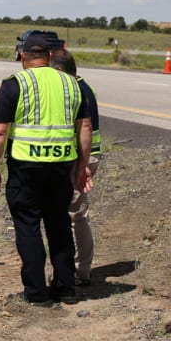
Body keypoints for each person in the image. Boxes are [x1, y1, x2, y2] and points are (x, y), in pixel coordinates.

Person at [0, 34, 93, 305]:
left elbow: (0, 131)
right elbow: (85, 128)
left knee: (28, 227)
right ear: (49, 57)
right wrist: (83, 165)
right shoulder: (73, 84)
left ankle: (36, 292)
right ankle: (66, 288)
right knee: (59, 224)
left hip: (25, 168)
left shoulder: (14, 84)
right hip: (61, 167)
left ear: (23, 57)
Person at [51, 49, 100, 287]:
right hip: (83, 157)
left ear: (59, 69)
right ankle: (76, 268)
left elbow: (85, 129)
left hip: (81, 158)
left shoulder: (74, 89)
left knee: (76, 214)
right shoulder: (82, 85)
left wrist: (82, 163)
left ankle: (80, 270)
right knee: (74, 213)